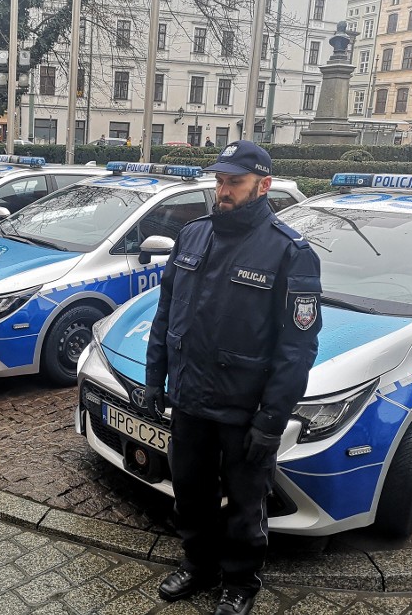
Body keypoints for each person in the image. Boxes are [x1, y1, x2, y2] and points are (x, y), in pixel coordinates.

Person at [144, 140, 321, 614]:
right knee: (191, 495)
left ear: (263, 186)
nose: (223, 190)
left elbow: (297, 347)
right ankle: (198, 565)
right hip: (189, 401)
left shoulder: (290, 252)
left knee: (245, 507)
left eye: (235, 182)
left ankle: (240, 583)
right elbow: (166, 313)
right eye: (220, 180)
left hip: (243, 408)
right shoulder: (193, 235)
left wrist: (271, 420)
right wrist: (153, 379)